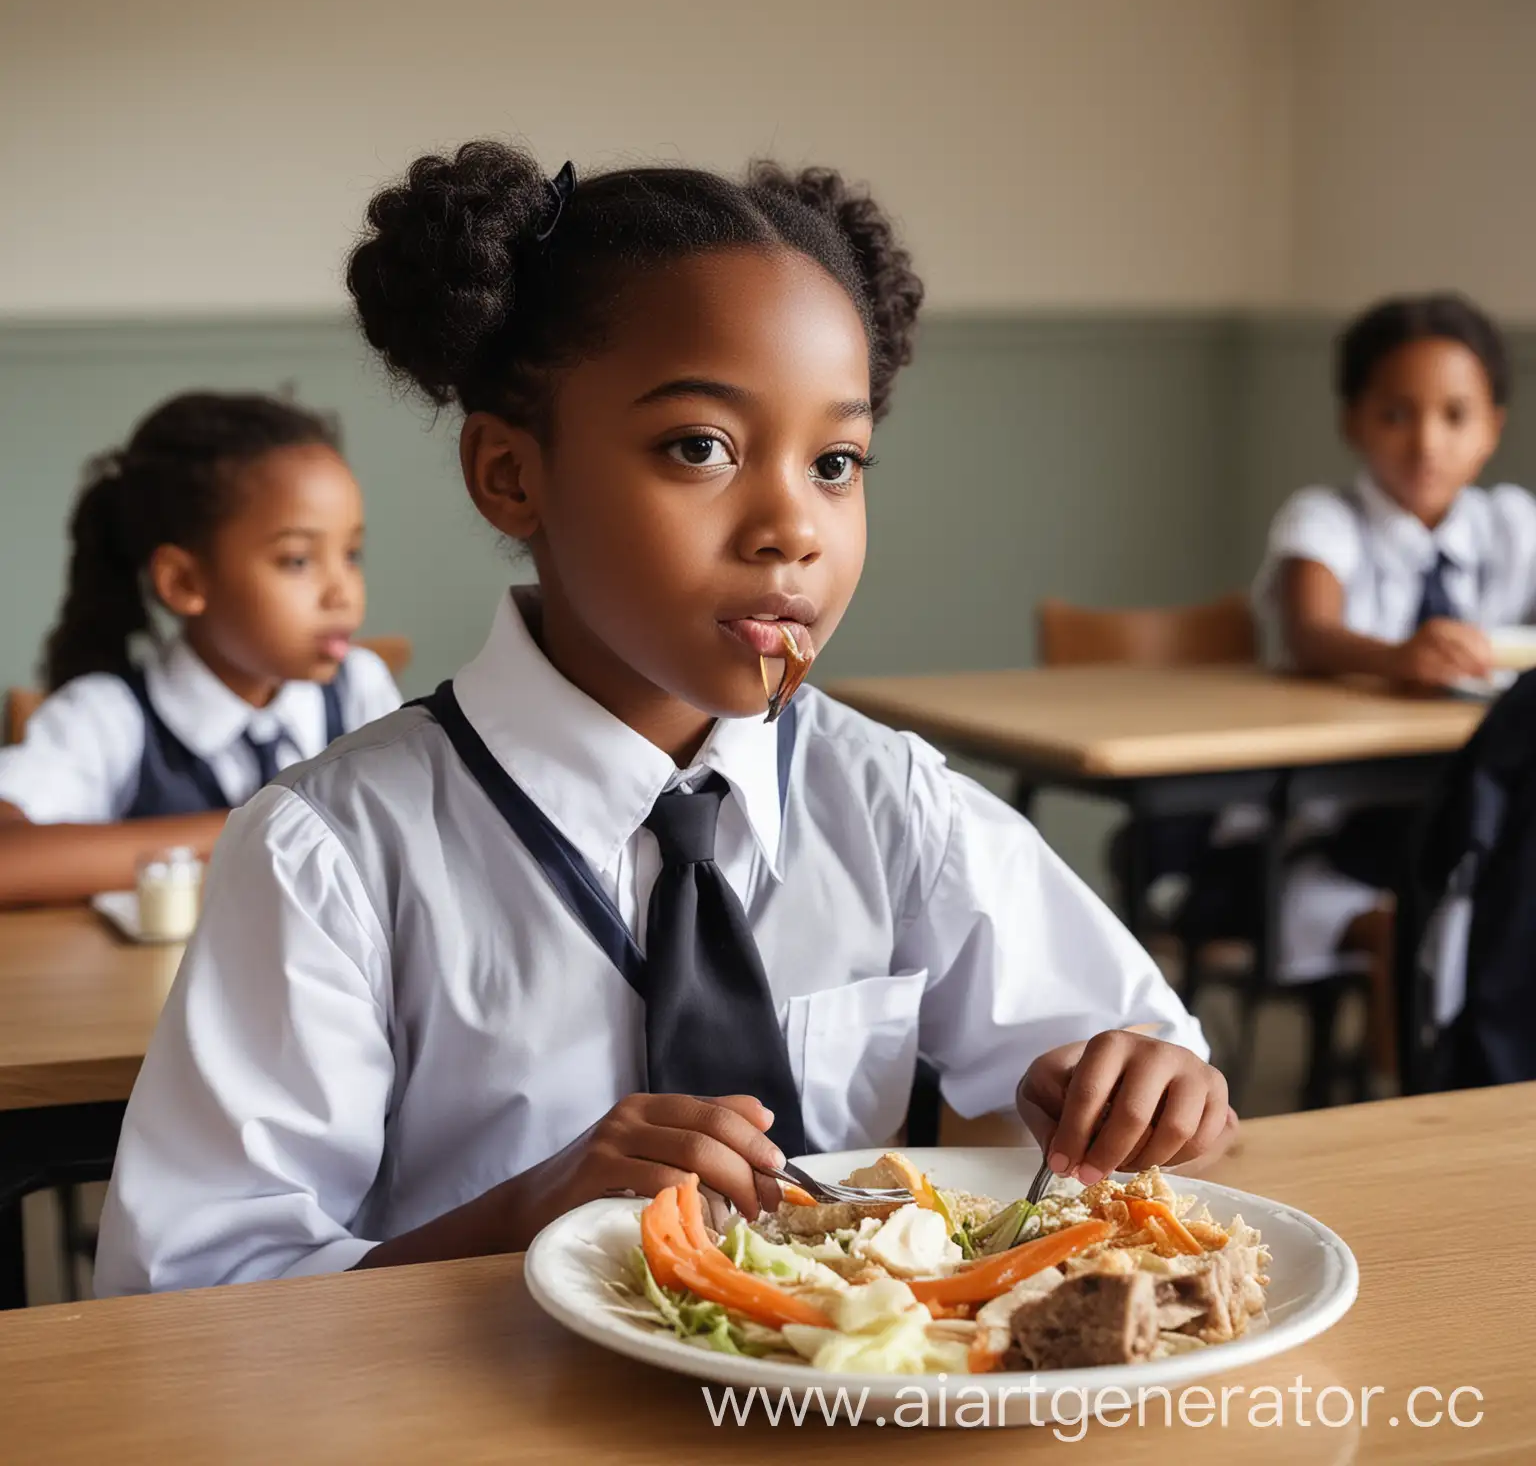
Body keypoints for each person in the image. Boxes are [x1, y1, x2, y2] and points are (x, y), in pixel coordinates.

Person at [96, 143, 1233, 1294]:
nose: (793, 528)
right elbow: (188, 1303)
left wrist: (1149, 1090)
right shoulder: (333, 855)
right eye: (702, 448)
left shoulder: (890, 800)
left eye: (836, 462)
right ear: (510, 475)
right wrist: (527, 1213)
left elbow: (1166, 1085)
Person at [1251, 293, 1536, 1059]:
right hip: (1331, 836)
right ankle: (1412, 1099)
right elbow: (1311, 632)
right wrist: (1394, 656)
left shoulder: (1512, 524)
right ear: (1353, 420)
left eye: (1455, 415)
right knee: (1420, 926)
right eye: (1396, 414)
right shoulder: (1324, 519)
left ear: (1494, 428)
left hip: (1469, 833)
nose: (1426, 443)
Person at [0, 391, 402, 908]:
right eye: (298, 560)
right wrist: (264, 827)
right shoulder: (110, 715)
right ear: (185, 581)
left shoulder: (359, 688)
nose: (343, 590)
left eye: (351, 554)